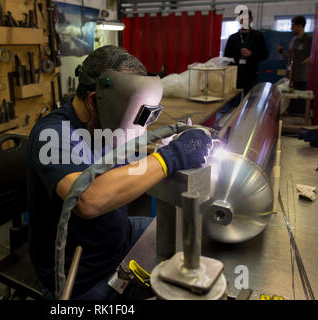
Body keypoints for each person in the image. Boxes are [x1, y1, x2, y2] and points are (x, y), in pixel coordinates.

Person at [26, 45, 213, 300]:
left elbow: (129, 165)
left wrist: (161, 151)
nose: (142, 125)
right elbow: (87, 199)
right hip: (82, 273)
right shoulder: (53, 134)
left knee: (191, 236)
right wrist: (171, 157)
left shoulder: (105, 124)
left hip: (118, 234)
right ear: (94, 100)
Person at [224, 10, 269, 95]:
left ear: (251, 20)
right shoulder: (233, 37)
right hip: (235, 75)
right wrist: (237, 55)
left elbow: (265, 54)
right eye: (241, 19)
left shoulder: (258, 36)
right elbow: (226, 56)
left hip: (251, 74)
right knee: (233, 100)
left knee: (249, 100)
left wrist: (251, 54)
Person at [278, 16, 312, 114]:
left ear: (300, 26)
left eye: (293, 25)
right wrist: (282, 52)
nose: (291, 28)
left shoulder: (308, 40)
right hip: (290, 76)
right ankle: (291, 112)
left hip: (302, 77)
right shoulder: (293, 40)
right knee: (290, 99)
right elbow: (289, 57)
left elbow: (311, 57)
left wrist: (305, 61)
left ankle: (300, 116)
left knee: (300, 100)